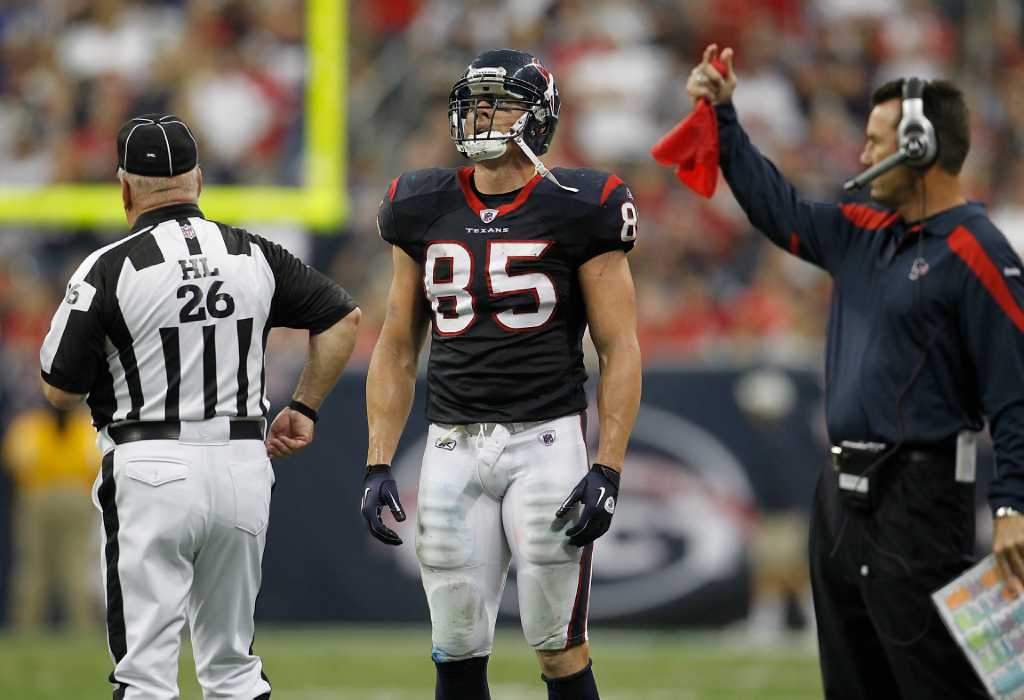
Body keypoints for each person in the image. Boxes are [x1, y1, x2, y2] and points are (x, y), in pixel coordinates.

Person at [686, 44, 1024, 698]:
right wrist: (725, 118)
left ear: (920, 147)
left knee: (933, 684)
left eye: (875, 143)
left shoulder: (978, 250)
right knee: (851, 685)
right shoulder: (861, 229)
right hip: (839, 495)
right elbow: (774, 206)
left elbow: (1017, 394)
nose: (863, 157)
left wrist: (1013, 504)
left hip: (921, 499)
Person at [39, 113, 361, 699]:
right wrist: (305, 407)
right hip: (242, 463)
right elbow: (343, 318)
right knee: (232, 666)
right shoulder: (253, 253)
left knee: (146, 673)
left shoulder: (107, 269)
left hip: (150, 465)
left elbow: (59, 387)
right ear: (199, 180)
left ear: (124, 187)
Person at [362, 49, 641, 700]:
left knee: (558, 647)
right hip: (451, 446)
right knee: (455, 649)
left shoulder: (582, 204)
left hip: (546, 443)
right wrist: (378, 461)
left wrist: (609, 467)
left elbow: (619, 345)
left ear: (538, 118)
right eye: (475, 99)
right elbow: (398, 342)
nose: (481, 112)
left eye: (500, 101)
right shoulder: (418, 202)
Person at [3, 404, 101, 633]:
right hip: (73, 495)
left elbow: (16, 461)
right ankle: (82, 630)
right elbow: (97, 462)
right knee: (74, 566)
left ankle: (26, 629)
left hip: (38, 493)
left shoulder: (29, 425)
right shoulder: (86, 425)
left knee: (34, 566)